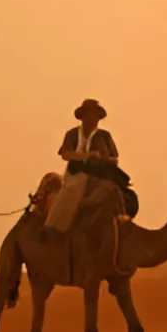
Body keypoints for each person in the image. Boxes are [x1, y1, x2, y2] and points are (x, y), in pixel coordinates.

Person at [46, 98, 119, 234]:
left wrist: (102, 159)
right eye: (90, 115)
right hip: (75, 177)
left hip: (100, 176)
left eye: (95, 116)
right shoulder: (73, 134)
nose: (93, 119)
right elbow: (65, 154)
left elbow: (114, 158)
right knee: (64, 202)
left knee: (119, 196)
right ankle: (53, 232)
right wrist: (86, 156)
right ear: (83, 117)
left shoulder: (104, 136)